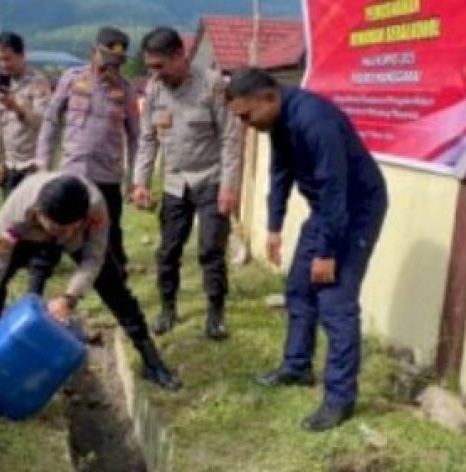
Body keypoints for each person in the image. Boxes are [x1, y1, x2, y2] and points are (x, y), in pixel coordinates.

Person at [225, 68, 388, 432]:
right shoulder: (278, 121)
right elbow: (280, 172)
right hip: (327, 211)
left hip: (355, 210)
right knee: (299, 289)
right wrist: (274, 226)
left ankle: (339, 399)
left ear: (269, 97)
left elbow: (334, 189)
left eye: (246, 115)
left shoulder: (316, 121)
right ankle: (296, 366)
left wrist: (326, 253)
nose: (245, 125)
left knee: (335, 301)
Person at [0, 172, 180, 391]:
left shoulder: (95, 207)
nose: (65, 236)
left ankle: (150, 358)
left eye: (72, 228)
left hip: (79, 237)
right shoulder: (16, 213)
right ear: (39, 214)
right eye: (60, 230)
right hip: (29, 235)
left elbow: (94, 259)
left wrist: (70, 296)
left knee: (115, 289)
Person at [132, 27, 241, 340]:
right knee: (168, 251)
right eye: (150, 67)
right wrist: (140, 182)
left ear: (179, 56)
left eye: (159, 65)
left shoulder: (212, 84)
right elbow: (148, 139)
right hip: (174, 182)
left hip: (211, 179)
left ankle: (216, 313)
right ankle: (167, 308)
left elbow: (230, 138)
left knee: (211, 250)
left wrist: (229, 186)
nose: (155, 73)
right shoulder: (155, 90)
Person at [36, 26, 139, 280]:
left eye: (118, 62)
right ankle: (40, 274)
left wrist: (134, 180)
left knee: (110, 231)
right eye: (107, 59)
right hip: (73, 169)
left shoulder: (126, 90)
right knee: (57, 224)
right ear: (93, 53)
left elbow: (136, 136)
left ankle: (115, 279)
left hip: (107, 174)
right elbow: (50, 121)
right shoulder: (71, 79)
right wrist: (42, 162)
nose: (111, 67)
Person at [0, 31, 50, 200]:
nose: (4, 64)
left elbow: (42, 123)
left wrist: (17, 108)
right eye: (0, 59)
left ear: (22, 55)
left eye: (8, 59)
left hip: (31, 164)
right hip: (9, 165)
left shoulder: (38, 82)